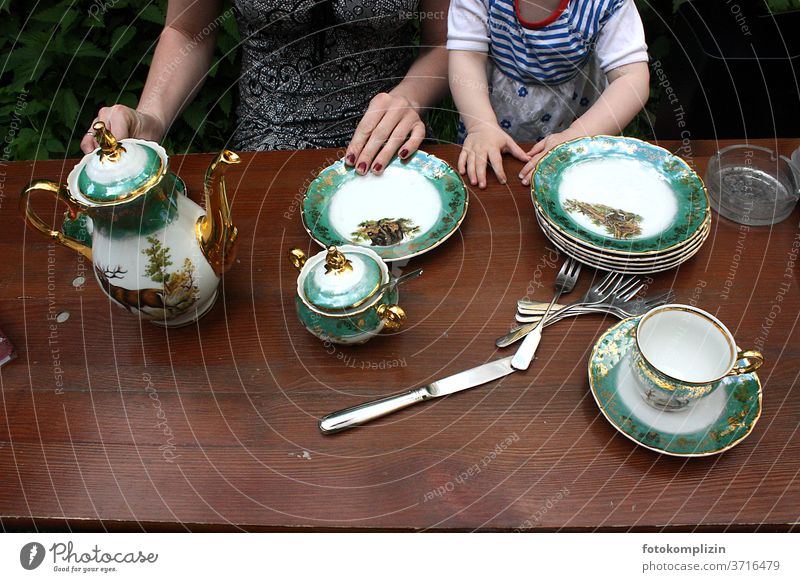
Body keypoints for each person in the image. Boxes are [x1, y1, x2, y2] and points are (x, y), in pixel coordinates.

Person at [82, 0, 449, 176]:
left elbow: (447, 41)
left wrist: (411, 96)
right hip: (266, 150)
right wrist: (152, 118)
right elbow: (187, 31)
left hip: (390, 142)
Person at [447, 0, 650, 189]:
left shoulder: (608, 4)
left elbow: (631, 78)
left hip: (573, 116)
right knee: (491, 190)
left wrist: (576, 135)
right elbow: (467, 55)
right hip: (490, 111)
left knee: (566, 187)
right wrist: (481, 125)